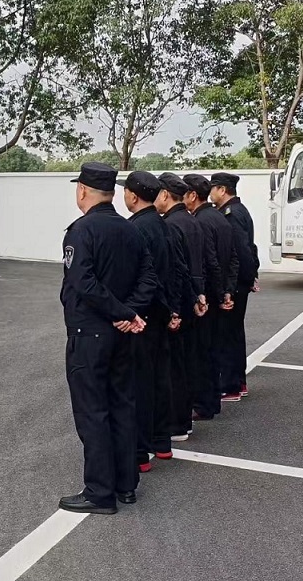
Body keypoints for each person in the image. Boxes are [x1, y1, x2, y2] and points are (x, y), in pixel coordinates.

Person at [59, 162, 158, 515]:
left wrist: (123, 313)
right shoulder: (131, 230)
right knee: (122, 406)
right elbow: (149, 279)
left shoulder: (80, 231)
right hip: (122, 335)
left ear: (83, 190)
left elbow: (83, 284)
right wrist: (130, 312)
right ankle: (126, 485)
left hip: (89, 334)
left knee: (93, 412)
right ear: (111, 193)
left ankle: (100, 492)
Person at [118, 171, 179, 474]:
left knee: (139, 383)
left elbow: (138, 277)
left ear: (133, 195)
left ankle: (140, 452)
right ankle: (162, 441)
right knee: (159, 378)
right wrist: (173, 309)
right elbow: (175, 271)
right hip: (161, 312)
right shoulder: (164, 224)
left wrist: (130, 312)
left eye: (125, 191)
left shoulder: (135, 229)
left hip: (142, 315)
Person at [155, 172, 207, 444]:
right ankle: (184, 420)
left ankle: (177, 424)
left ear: (165, 194)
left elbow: (177, 270)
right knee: (185, 362)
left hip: (179, 301)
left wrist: (173, 308)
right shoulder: (191, 220)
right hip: (190, 298)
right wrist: (199, 294)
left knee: (173, 366)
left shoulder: (171, 225)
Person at [184, 173, 238, 421]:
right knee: (213, 351)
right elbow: (233, 258)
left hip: (207, 297)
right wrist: (227, 290)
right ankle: (212, 401)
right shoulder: (219, 217)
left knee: (202, 354)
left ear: (193, 195)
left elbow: (210, 262)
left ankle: (204, 405)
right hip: (218, 294)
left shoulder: (200, 221)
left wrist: (212, 293)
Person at [209, 172, 259, 401]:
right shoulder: (239, 210)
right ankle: (238, 382)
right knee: (235, 333)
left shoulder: (231, 214)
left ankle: (230, 386)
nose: (210, 193)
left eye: (213, 188)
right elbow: (251, 249)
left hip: (234, 283)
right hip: (240, 281)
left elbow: (240, 251)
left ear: (222, 190)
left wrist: (246, 279)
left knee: (228, 334)